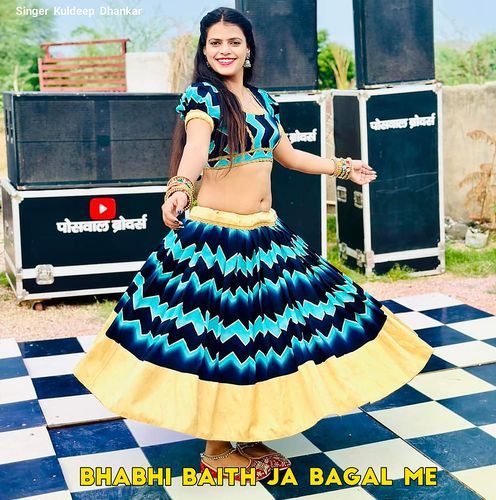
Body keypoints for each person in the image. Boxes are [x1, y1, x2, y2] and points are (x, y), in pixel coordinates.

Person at [73, 6, 434, 482]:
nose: (224, 50)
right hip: (218, 239)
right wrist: (179, 187)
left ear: (248, 49)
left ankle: (247, 428)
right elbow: (195, 148)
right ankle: (215, 448)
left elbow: (288, 156)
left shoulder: (262, 99)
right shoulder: (204, 97)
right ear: (205, 51)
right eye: (215, 43)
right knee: (218, 341)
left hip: (263, 233)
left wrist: (342, 167)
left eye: (233, 42)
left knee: (266, 338)